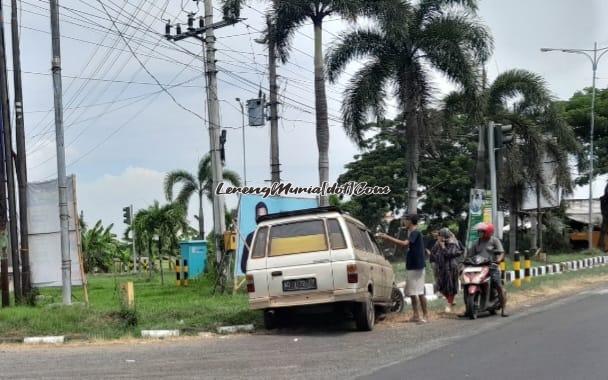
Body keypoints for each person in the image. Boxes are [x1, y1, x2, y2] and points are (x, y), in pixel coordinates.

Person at [377, 214, 428, 323]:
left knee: (419, 292)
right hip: (412, 266)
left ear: (410, 221)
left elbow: (404, 244)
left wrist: (387, 237)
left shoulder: (415, 232)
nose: (404, 222)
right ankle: (416, 315)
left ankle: (425, 316)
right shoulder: (411, 233)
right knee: (412, 292)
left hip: (417, 267)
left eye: (405, 220)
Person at [470, 222, 508, 317]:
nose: (479, 233)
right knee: (468, 284)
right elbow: (470, 255)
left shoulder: (494, 241)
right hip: (478, 268)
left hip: (492, 267)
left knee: (498, 285)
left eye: (481, 231)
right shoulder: (476, 242)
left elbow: (501, 252)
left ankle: (504, 309)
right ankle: (468, 309)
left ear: (488, 232)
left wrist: (498, 260)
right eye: (479, 231)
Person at [429, 228, 464, 313]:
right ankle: (451, 300)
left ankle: (449, 304)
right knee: (440, 287)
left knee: (450, 287)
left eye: (440, 235)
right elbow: (433, 254)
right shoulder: (438, 243)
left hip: (451, 268)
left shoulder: (453, 243)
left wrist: (443, 246)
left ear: (444, 235)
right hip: (441, 268)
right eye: (438, 236)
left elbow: (449, 254)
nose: (438, 237)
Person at [240, 202, 269, 274]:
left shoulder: (275, 234)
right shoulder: (250, 237)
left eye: (264, 216)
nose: (263, 219)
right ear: (256, 217)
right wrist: (254, 266)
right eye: (260, 216)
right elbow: (243, 267)